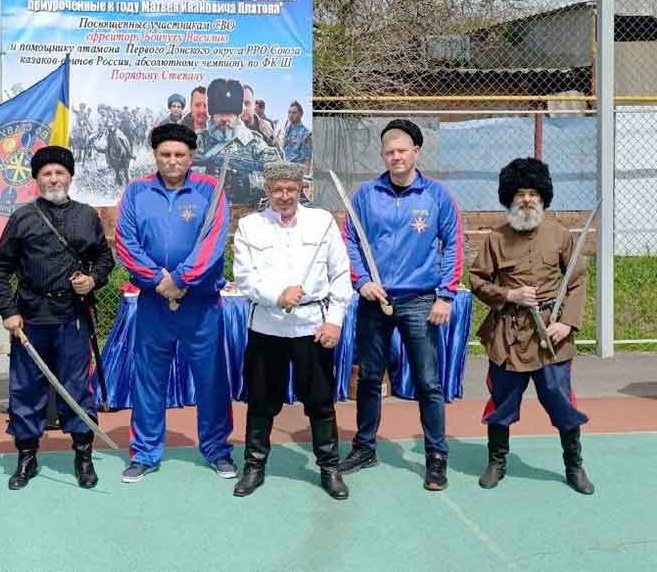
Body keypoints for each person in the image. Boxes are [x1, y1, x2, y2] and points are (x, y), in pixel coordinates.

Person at [338, 119, 463, 491]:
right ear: (383, 156)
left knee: (428, 381)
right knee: (369, 378)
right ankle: (365, 447)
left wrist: (446, 295)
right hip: (375, 299)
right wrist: (362, 281)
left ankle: (436, 456)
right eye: (389, 152)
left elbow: (453, 245)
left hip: (420, 300)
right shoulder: (366, 194)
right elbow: (350, 241)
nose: (396, 157)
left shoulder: (437, 196)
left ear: (415, 153)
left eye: (402, 150)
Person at [0, 146, 116, 491]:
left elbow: (104, 259)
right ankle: (26, 456)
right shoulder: (23, 218)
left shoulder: (87, 216)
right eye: (47, 173)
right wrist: (9, 311)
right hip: (31, 319)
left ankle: (83, 456)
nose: (54, 179)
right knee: (26, 388)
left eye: (60, 173)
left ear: (70, 177)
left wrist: (92, 280)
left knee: (76, 387)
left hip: (73, 318)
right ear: (37, 179)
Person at [114, 122, 234, 483]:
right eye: (165, 154)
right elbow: (126, 243)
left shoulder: (210, 190)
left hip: (201, 304)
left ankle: (217, 450)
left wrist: (181, 280)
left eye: (180, 154)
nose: (172, 160)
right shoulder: (136, 191)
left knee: (211, 380)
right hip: (154, 304)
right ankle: (145, 453)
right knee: (149, 380)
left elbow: (213, 243)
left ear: (191, 156)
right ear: (155, 155)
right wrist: (158, 281)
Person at [469, 157, 593, 495]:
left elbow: (577, 281)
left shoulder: (560, 235)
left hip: (551, 338)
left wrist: (567, 323)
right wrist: (509, 294)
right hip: (508, 337)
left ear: (543, 196)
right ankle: (496, 461)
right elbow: (477, 280)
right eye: (520, 193)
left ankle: (574, 465)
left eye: (533, 193)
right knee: (502, 401)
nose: (526, 199)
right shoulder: (495, 239)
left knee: (560, 400)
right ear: (509, 197)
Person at [232, 161, 353, 500]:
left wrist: (335, 320)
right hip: (267, 326)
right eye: (277, 190)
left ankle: (329, 468)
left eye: (290, 189)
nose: (284, 196)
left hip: (312, 325)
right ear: (267, 190)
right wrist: (277, 295)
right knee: (261, 401)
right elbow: (244, 276)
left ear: (302, 189)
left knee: (320, 402)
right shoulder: (250, 226)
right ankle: (254, 466)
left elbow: (340, 273)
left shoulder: (322, 222)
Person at [195, 78, 276, 206]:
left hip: (246, 214)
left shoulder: (255, 143)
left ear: (238, 116)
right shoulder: (196, 142)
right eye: (220, 114)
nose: (225, 119)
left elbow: (278, 177)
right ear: (211, 116)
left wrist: (246, 180)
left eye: (230, 114)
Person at [280, 100, 313, 174]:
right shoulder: (287, 131)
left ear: (301, 114)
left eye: (294, 113)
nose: (290, 115)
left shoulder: (306, 133)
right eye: (289, 112)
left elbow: (307, 158)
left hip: (297, 171)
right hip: (285, 169)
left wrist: (305, 176)